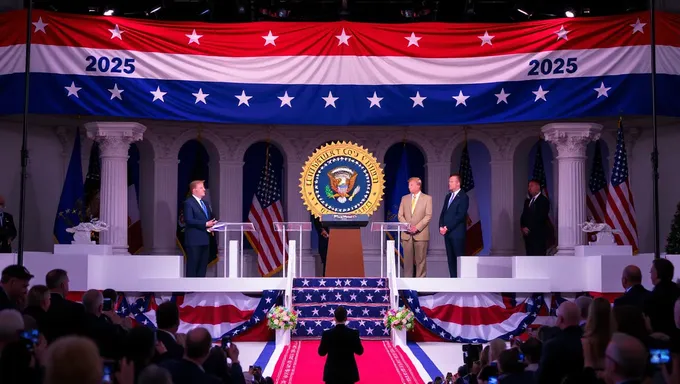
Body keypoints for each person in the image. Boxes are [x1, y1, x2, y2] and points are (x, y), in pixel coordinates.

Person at [318, 306, 364, 384]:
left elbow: (321, 353)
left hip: (331, 374)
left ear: (334, 318)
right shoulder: (353, 333)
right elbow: (360, 351)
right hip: (349, 374)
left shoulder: (327, 334)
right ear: (346, 319)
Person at [398, 177, 432, 278]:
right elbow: (400, 215)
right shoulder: (404, 198)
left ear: (418, 185)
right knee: (407, 262)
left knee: (420, 261)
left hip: (420, 235)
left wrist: (416, 227)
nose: (409, 187)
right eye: (409, 185)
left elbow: (428, 215)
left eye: (411, 185)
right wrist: (407, 226)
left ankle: (420, 286)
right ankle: (408, 286)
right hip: (407, 235)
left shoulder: (427, 198)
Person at [183, 180, 217, 278]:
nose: (204, 189)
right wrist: (206, 223)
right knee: (193, 267)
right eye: (201, 187)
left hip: (205, 239)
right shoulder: (188, 203)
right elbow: (189, 220)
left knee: (202, 267)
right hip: (194, 241)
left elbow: (208, 219)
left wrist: (212, 225)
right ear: (194, 190)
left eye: (204, 187)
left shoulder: (205, 203)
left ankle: (199, 291)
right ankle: (190, 291)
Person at [439, 174, 468, 278]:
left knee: (458, 259)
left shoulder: (463, 197)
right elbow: (443, 213)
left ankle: (461, 284)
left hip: (457, 234)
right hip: (447, 234)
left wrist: (448, 227)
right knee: (450, 259)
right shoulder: (448, 196)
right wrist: (441, 226)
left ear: (458, 183)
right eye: (449, 181)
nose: (449, 183)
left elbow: (460, 215)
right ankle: (453, 282)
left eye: (451, 181)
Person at [520, 179, 550, 256]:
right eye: (528, 186)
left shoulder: (544, 200)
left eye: (531, 186)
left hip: (538, 237)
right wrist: (523, 227)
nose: (529, 188)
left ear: (538, 187)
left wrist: (530, 228)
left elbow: (541, 217)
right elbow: (523, 216)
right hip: (528, 238)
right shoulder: (527, 201)